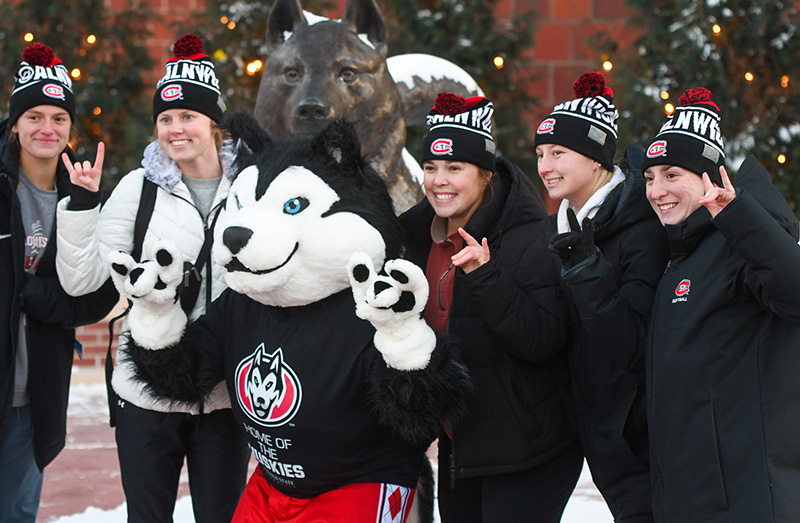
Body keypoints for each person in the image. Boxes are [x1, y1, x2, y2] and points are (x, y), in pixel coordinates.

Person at [55, 34, 250, 522]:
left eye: (188, 116)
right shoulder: (137, 189)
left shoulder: (253, 186)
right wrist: (81, 205)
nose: (175, 128)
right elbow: (85, 281)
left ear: (214, 124)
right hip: (147, 389)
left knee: (223, 515)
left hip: (227, 393)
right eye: (165, 119)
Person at [400, 93, 581, 522]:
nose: (439, 180)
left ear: (485, 174)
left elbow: (543, 339)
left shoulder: (529, 237)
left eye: (454, 168)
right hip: (460, 448)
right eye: (430, 168)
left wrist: (485, 277)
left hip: (528, 450)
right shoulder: (414, 238)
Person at [641, 87, 800, 522]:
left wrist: (737, 214)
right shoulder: (680, 253)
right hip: (689, 499)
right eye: (650, 177)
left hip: (747, 501)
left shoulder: (743, 239)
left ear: (711, 179)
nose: (657, 190)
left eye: (672, 174)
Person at [534, 72, 668, 522]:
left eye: (558, 153)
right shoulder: (560, 224)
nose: (545, 166)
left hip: (640, 436)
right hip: (593, 430)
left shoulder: (641, 227)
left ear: (595, 160)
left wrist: (586, 269)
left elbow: (633, 342)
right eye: (540, 153)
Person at [0, 43, 118, 522]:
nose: (46, 128)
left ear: (71, 127)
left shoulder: (83, 193)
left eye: (58, 117)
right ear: (15, 125)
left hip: (34, 395)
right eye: (34, 116)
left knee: (17, 511)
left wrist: (34, 297)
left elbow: (100, 294)